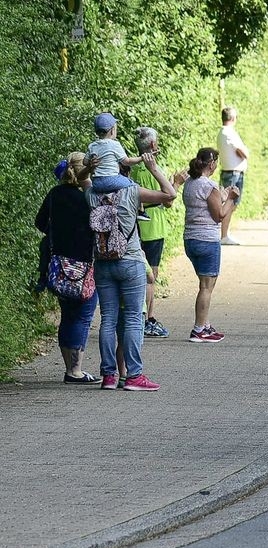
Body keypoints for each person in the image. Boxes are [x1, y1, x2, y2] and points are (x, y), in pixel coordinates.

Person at [88, 153, 177, 391]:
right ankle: (134, 376)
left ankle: (108, 376)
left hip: (102, 261)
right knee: (133, 319)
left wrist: (89, 167)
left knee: (108, 319)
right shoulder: (132, 191)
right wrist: (153, 168)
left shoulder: (92, 193)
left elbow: (77, 178)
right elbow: (170, 194)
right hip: (131, 261)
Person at [36, 153, 101, 384]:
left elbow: (40, 223)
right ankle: (76, 371)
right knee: (83, 316)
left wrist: (58, 233)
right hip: (84, 265)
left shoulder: (55, 194)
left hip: (58, 266)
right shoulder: (89, 197)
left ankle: (69, 368)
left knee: (67, 316)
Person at [182, 148, 238, 344]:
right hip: (207, 240)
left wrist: (222, 196)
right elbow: (219, 215)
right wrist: (231, 199)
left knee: (204, 284)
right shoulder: (209, 185)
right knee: (206, 287)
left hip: (190, 238)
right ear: (212, 164)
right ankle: (198, 329)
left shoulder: (189, 183)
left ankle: (205, 324)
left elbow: (205, 204)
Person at [129, 126, 174, 338]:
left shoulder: (133, 169)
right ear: (154, 145)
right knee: (151, 276)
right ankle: (148, 319)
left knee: (142, 273)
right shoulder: (153, 169)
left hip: (136, 227)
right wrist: (176, 184)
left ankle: (141, 316)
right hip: (153, 227)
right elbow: (168, 200)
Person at [216, 106, 250, 245]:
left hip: (230, 171)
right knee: (230, 203)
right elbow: (243, 152)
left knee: (230, 203)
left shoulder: (222, 133)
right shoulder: (229, 133)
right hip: (233, 173)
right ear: (233, 118)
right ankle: (224, 235)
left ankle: (225, 233)